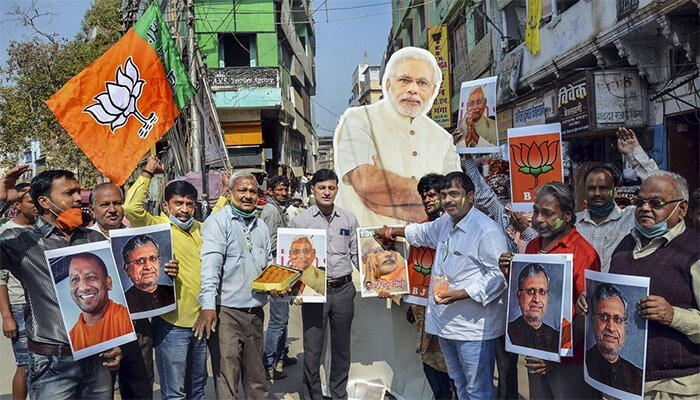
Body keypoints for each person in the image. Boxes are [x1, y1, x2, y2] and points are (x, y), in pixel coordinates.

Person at [377, 171, 509, 399]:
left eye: (454, 194)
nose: (448, 200)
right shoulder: (445, 223)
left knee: (478, 390)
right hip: (445, 324)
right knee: (459, 384)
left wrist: (462, 294)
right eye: (445, 194)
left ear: (470, 196)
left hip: (472, 330)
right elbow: (420, 232)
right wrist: (388, 231)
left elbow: (498, 277)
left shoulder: (486, 230)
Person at [0, 167, 121, 399]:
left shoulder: (93, 238)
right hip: (52, 364)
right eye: (69, 193)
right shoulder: (21, 242)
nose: (78, 198)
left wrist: (116, 342)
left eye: (78, 191)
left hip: (97, 361)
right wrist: (1, 201)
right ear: (45, 202)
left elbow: (111, 297)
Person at [578, 170, 699, 399]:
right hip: (622, 382)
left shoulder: (693, 252)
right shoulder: (625, 246)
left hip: (672, 386)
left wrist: (674, 315)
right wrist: (591, 301)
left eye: (656, 202)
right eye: (640, 201)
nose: (644, 208)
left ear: (681, 209)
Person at [333, 46, 460, 226]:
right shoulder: (359, 120)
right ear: (388, 84)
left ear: (432, 91)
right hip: (370, 246)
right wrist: (432, 197)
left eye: (422, 83)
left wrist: (388, 204)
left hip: (428, 249)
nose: (413, 89)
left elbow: (455, 199)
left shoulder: (443, 138)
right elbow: (366, 182)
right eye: (405, 80)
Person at [499, 182, 600, 399]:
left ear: (567, 215)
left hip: (569, 359)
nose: (538, 219)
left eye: (547, 213)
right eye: (536, 211)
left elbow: (587, 314)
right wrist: (510, 274)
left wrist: (557, 355)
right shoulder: (534, 245)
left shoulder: (583, 253)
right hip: (536, 351)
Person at [123, 157, 210, 399]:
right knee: (175, 392)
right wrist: (148, 172)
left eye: (189, 204)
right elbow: (131, 209)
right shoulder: (157, 227)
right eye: (178, 203)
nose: (184, 209)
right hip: (172, 324)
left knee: (197, 388)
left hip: (201, 321)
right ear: (165, 206)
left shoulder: (200, 229)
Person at [90, 182, 175, 400]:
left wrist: (171, 270)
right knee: (100, 390)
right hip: (100, 333)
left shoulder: (136, 236)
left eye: (117, 203)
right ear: (92, 210)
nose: (112, 209)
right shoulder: (82, 241)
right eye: (105, 204)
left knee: (139, 388)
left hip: (138, 328)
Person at [194, 171, 271, 399]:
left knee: (257, 378)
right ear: (229, 194)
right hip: (226, 313)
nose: (248, 196)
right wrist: (208, 306)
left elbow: (268, 265)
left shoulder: (261, 227)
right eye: (242, 190)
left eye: (253, 191)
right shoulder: (217, 223)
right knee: (228, 377)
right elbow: (210, 267)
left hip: (255, 312)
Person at [290, 169, 359, 400]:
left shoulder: (349, 218)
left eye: (331, 187)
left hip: (343, 290)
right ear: (313, 190)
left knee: (341, 350)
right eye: (322, 188)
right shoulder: (301, 220)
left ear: (337, 189)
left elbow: (357, 254)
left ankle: (338, 395)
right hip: (314, 290)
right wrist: (293, 288)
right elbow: (292, 259)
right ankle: (312, 396)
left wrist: (379, 278)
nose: (327, 192)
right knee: (312, 351)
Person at [575, 127, 658, 272]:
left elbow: (658, 187)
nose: (597, 193)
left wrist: (635, 154)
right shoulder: (574, 224)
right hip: (582, 294)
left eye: (604, 188)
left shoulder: (632, 218)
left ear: (615, 190)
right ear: (585, 190)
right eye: (591, 188)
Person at [404, 173, 455, 400]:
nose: (427, 199)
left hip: (446, 306)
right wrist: (411, 300)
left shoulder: (451, 228)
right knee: (427, 357)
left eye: (431, 194)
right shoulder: (421, 229)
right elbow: (414, 266)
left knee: (448, 360)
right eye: (423, 195)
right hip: (422, 307)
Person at [0, 182, 36, 400]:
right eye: (31, 202)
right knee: (24, 365)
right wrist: (7, 317)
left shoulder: (42, 228)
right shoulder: (7, 233)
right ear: (17, 205)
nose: (36, 207)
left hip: (41, 305)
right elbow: (0, 279)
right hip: (19, 305)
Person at [260, 175, 296, 380]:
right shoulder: (272, 212)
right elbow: (271, 245)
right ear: (271, 191)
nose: (283, 193)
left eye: (285, 190)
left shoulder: (278, 209)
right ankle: (269, 363)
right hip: (277, 270)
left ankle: (282, 355)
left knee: (283, 318)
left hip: (283, 270)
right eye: (279, 190)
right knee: (278, 320)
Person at [66, 253, 133, 352]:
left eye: (91, 277)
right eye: (75, 279)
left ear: (108, 283)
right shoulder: (71, 338)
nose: (83, 287)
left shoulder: (127, 319)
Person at [585, 283, 642, 395]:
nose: (611, 327)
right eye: (604, 317)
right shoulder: (584, 366)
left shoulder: (637, 375)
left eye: (618, 320)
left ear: (625, 327)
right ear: (593, 321)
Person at [508, 264, 559, 354]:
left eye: (542, 292)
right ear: (519, 297)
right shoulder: (508, 333)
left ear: (548, 298)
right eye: (530, 291)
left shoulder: (556, 338)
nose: (537, 299)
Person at [121, 235, 175, 313]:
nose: (148, 267)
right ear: (127, 269)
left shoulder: (172, 292)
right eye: (140, 261)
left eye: (153, 259)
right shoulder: (123, 303)